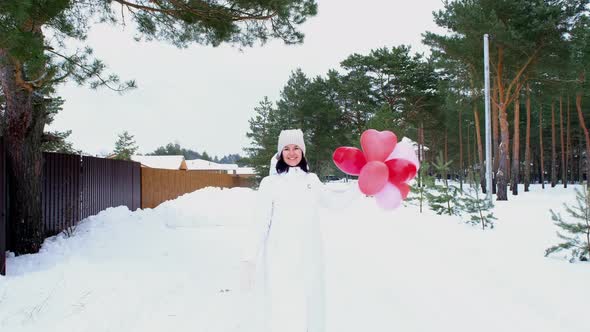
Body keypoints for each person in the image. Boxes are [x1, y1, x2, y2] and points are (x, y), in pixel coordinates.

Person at [242, 129, 358, 332]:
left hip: (310, 259)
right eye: (286, 148)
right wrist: (249, 258)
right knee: (283, 312)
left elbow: (335, 203)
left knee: (311, 311)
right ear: (280, 153)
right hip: (280, 260)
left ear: (303, 151)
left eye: (296, 147)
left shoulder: (311, 181)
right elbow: (260, 223)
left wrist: (361, 185)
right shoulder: (270, 184)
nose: (292, 152)